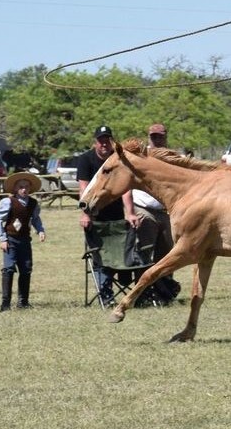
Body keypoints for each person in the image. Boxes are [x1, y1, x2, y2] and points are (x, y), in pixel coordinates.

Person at [76, 125, 134, 307]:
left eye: (107, 140)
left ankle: (128, 288)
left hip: (116, 214)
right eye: (101, 140)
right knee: (101, 256)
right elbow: (83, 188)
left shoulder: (117, 159)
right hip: (96, 216)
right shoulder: (86, 160)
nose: (104, 144)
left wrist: (130, 213)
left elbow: (125, 189)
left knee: (121, 254)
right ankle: (106, 295)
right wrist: (86, 214)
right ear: (95, 142)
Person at [127, 124, 182, 305]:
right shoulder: (141, 156)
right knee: (144, 252)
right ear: (148, 137)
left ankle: (163, 293)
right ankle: (140, 294)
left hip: (166, 210)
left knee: (166, 254)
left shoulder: (173, 157)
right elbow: (127, 183)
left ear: (165, 136)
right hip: (143, 207)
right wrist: (130, 211)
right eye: (153, 137)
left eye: (159, 136)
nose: (156, 140)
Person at [0, 172, 47, 311]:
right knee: (9, 269)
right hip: (10, 239)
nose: (24, 189)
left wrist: (40, 230)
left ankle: (23, 301)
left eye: (26, 187)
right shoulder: (8, 202)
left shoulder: (33, 203)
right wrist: (2, 238)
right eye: (21, 187)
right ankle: (5, 303)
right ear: (15, 188)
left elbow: (35, 218)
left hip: (24, 240)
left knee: (26, 269)